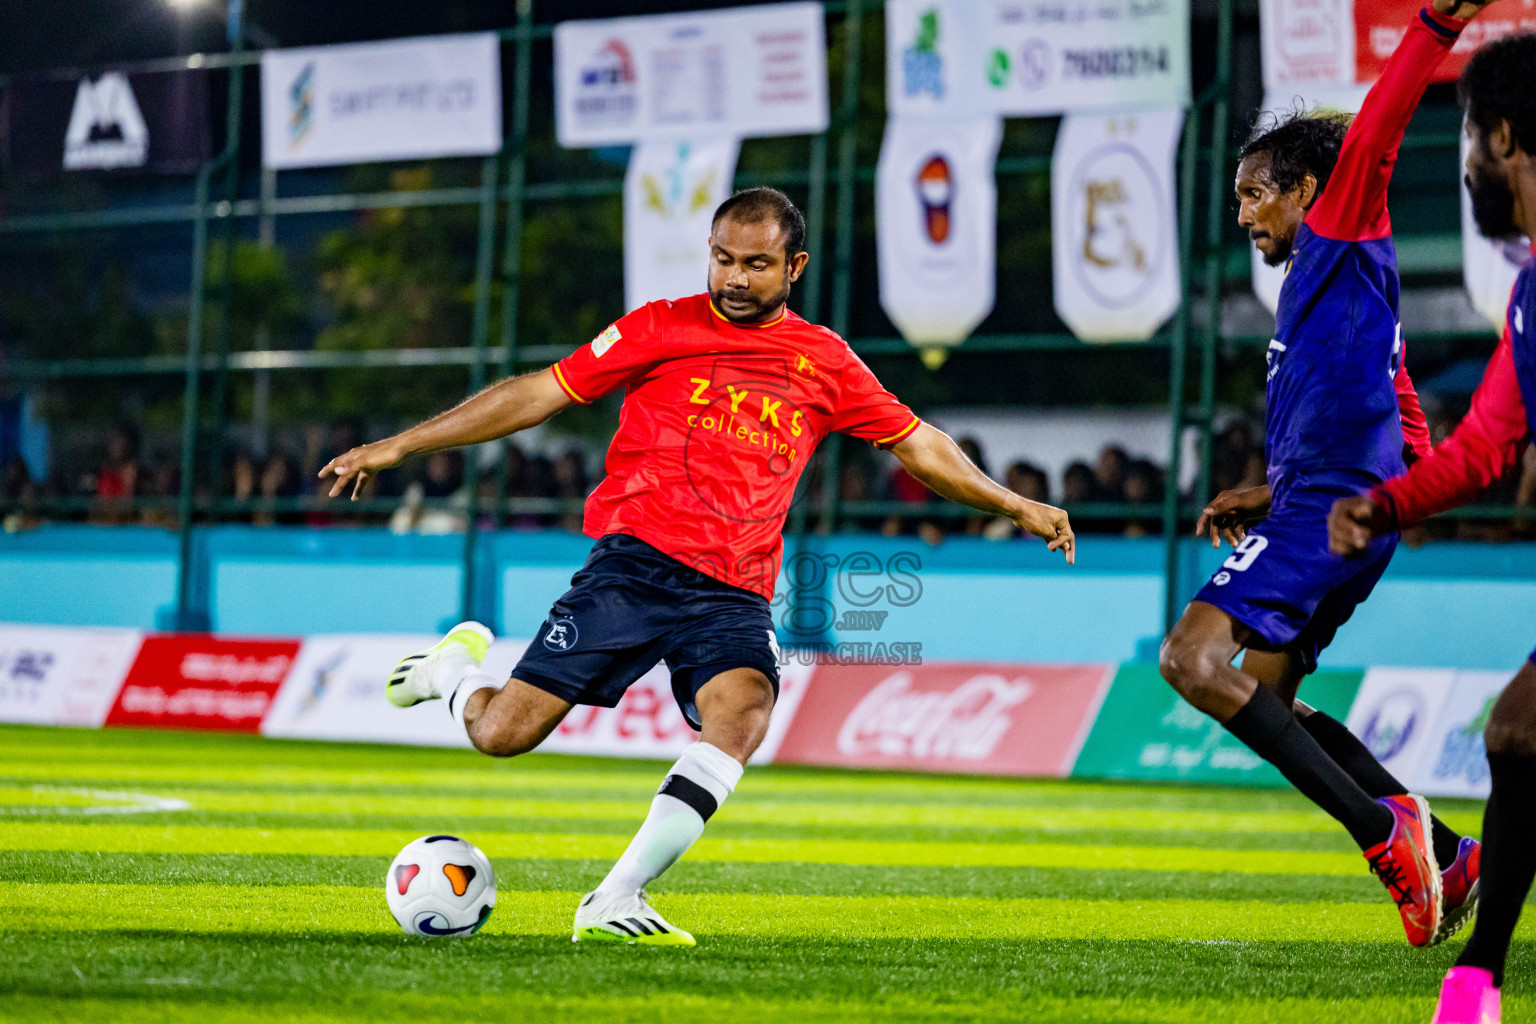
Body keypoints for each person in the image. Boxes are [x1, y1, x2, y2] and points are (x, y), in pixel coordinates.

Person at [318, 187, 1074, 947]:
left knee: (743, 711)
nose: (735, 279)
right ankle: (451, 672)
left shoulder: (825, 362)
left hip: (735, 591)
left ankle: (614, 898)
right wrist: (402, 444)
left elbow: (919, 444)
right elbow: (540, 393)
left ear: (794, 266)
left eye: (756, 264)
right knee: (503, 735)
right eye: (722, 260)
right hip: (636, 565)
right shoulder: (659, 327)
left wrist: (1014, 503)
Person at [1158, 0, 1494, 951]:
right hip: (1341, 507)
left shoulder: (1340, 229)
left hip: (1328, 509)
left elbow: (1379, 131)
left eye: (1253, 194)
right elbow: (1400, 407)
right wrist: (1303, 488)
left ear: (1308, 188)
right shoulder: (1331, 284)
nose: (1242, 214)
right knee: (1266, 685)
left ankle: (1382, 831)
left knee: (1191, 660)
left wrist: (1432, 25)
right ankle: (1450, 854)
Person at [1330, 29, 1536, 1023]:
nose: (1465, 172)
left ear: (1504, 137)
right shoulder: (1533, 294)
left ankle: (1476, 980)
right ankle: (1477, 982)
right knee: (1519, 733)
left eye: (1468, 146)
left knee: (1521, 731)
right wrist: (1387, 503)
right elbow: (1489, 444)